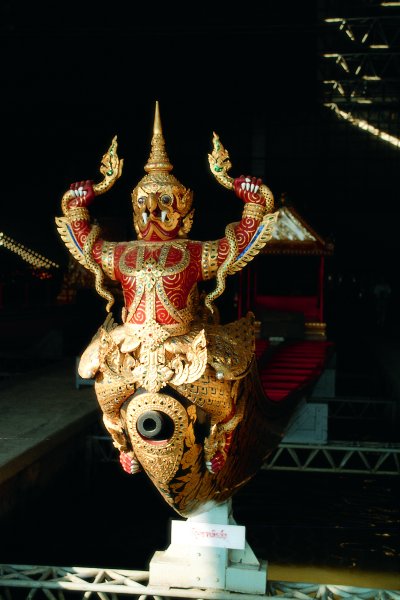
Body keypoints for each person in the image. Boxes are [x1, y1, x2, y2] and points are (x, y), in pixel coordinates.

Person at [56, 101, 278, 479]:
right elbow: (86, 247)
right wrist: (76, 206)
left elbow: (239, 243)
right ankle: (122, 442)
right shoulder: (121, 254)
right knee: (101, 388)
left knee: (223, 403)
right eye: (144, 203)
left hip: (182, 346)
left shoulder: (193, 253)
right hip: (131, 345)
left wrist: (255, 201)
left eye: (164, 202)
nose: (153, 212)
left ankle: (219, 441)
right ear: (134, 209)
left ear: (184, 210)